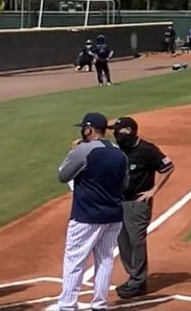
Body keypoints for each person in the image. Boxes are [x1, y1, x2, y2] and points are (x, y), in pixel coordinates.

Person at [55, 113, 126, 311]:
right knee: (104, 260)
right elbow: (125, 183)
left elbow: (63, 175)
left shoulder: (83, 150)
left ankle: (68, 305)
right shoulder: (119, 152)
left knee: (74, 260)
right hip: (113, 215)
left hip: (86, 216)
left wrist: (73, 152)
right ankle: (100, 304)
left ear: (89, 129)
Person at [110, 117, 174, 300]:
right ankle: (134, 277)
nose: (116, 134)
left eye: (119, 131)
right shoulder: (119, 150)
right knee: (123, 241)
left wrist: (154, 190)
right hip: (119, 201)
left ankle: (138, 281)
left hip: (138, 203)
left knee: (136, 241)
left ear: (130, 130)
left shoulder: (147, 149)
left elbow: (167, 166)